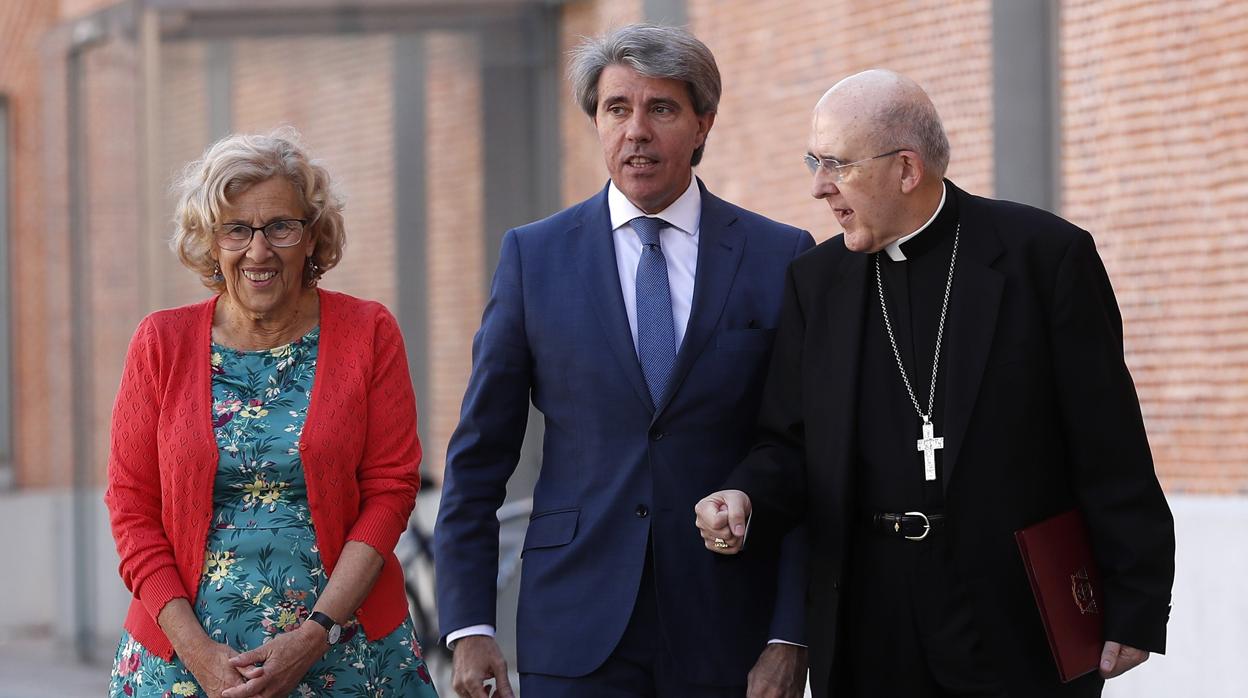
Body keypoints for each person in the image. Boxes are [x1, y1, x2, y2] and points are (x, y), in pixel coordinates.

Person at [696, 70, 1175, 698]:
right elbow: (787, 444)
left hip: (1014, 614)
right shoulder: (817, 283)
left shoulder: (1043, 257)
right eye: (815, 162)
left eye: (836, 164)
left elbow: (1108, 443)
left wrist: (1135, 597)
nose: (819, 188)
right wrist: (747, 496)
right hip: (870, 615)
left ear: (906, 168)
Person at [434, 23, 814, 698]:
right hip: (573, 626)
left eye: (661, 109)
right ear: (596, 122)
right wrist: (468, 626)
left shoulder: (777, 256)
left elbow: (801, 457)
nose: (636, 131)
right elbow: (479, 456)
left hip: (730, 627)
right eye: (617, 109)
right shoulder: (534, 257)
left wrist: (790, 636)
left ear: (703, 124)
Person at [105, 130, 438, 698]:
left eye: (281, 227)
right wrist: (200, 655)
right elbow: (132, 507)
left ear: (311, 237)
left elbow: (390, 490)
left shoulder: (369, 333)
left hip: (348, 655)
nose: (259, 251)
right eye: (237, 228)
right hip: (186, 666)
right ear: (212, 241)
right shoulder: (159, 343)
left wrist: (315, 635)